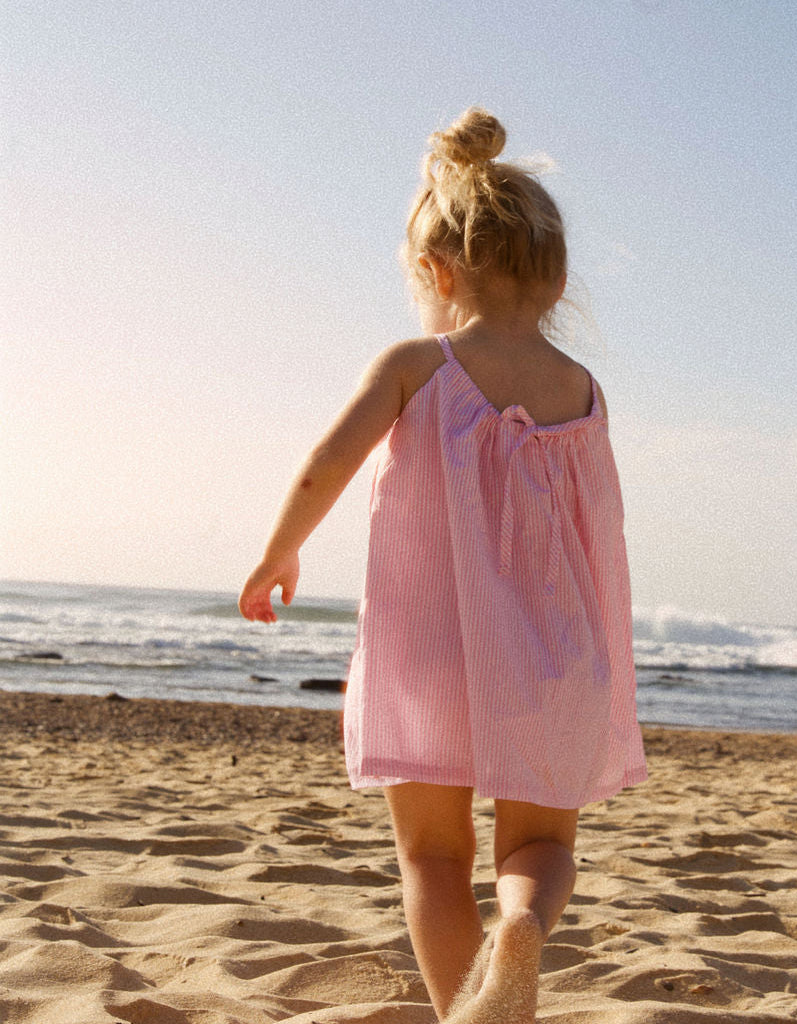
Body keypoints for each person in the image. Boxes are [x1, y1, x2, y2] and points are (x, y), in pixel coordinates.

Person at [239, 107, 647, 1023]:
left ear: (434, 270)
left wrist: (280, 551)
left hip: (429, 648)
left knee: (431, 857)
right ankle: (523, 930)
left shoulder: (416, 365)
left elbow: (325, 465)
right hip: (551, 652)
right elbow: (601, 537)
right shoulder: (582, 391)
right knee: (537, 844)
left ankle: (465, 1012)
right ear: (557, 280)